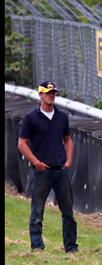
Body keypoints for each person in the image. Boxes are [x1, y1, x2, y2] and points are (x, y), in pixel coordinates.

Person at [17, 81, 78, 253]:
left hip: (60, 170)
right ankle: (37, 246)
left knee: (68, 211)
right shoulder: (31, 117)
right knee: (37, 210)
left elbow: (67, 140)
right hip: (41, 171)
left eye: (53, 93)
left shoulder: (62, 117)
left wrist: (68, 161)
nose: (51, 95)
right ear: (40, 95)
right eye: (48, 93)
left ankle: (71, 246)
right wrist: (36, 162)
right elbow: (22, 143)